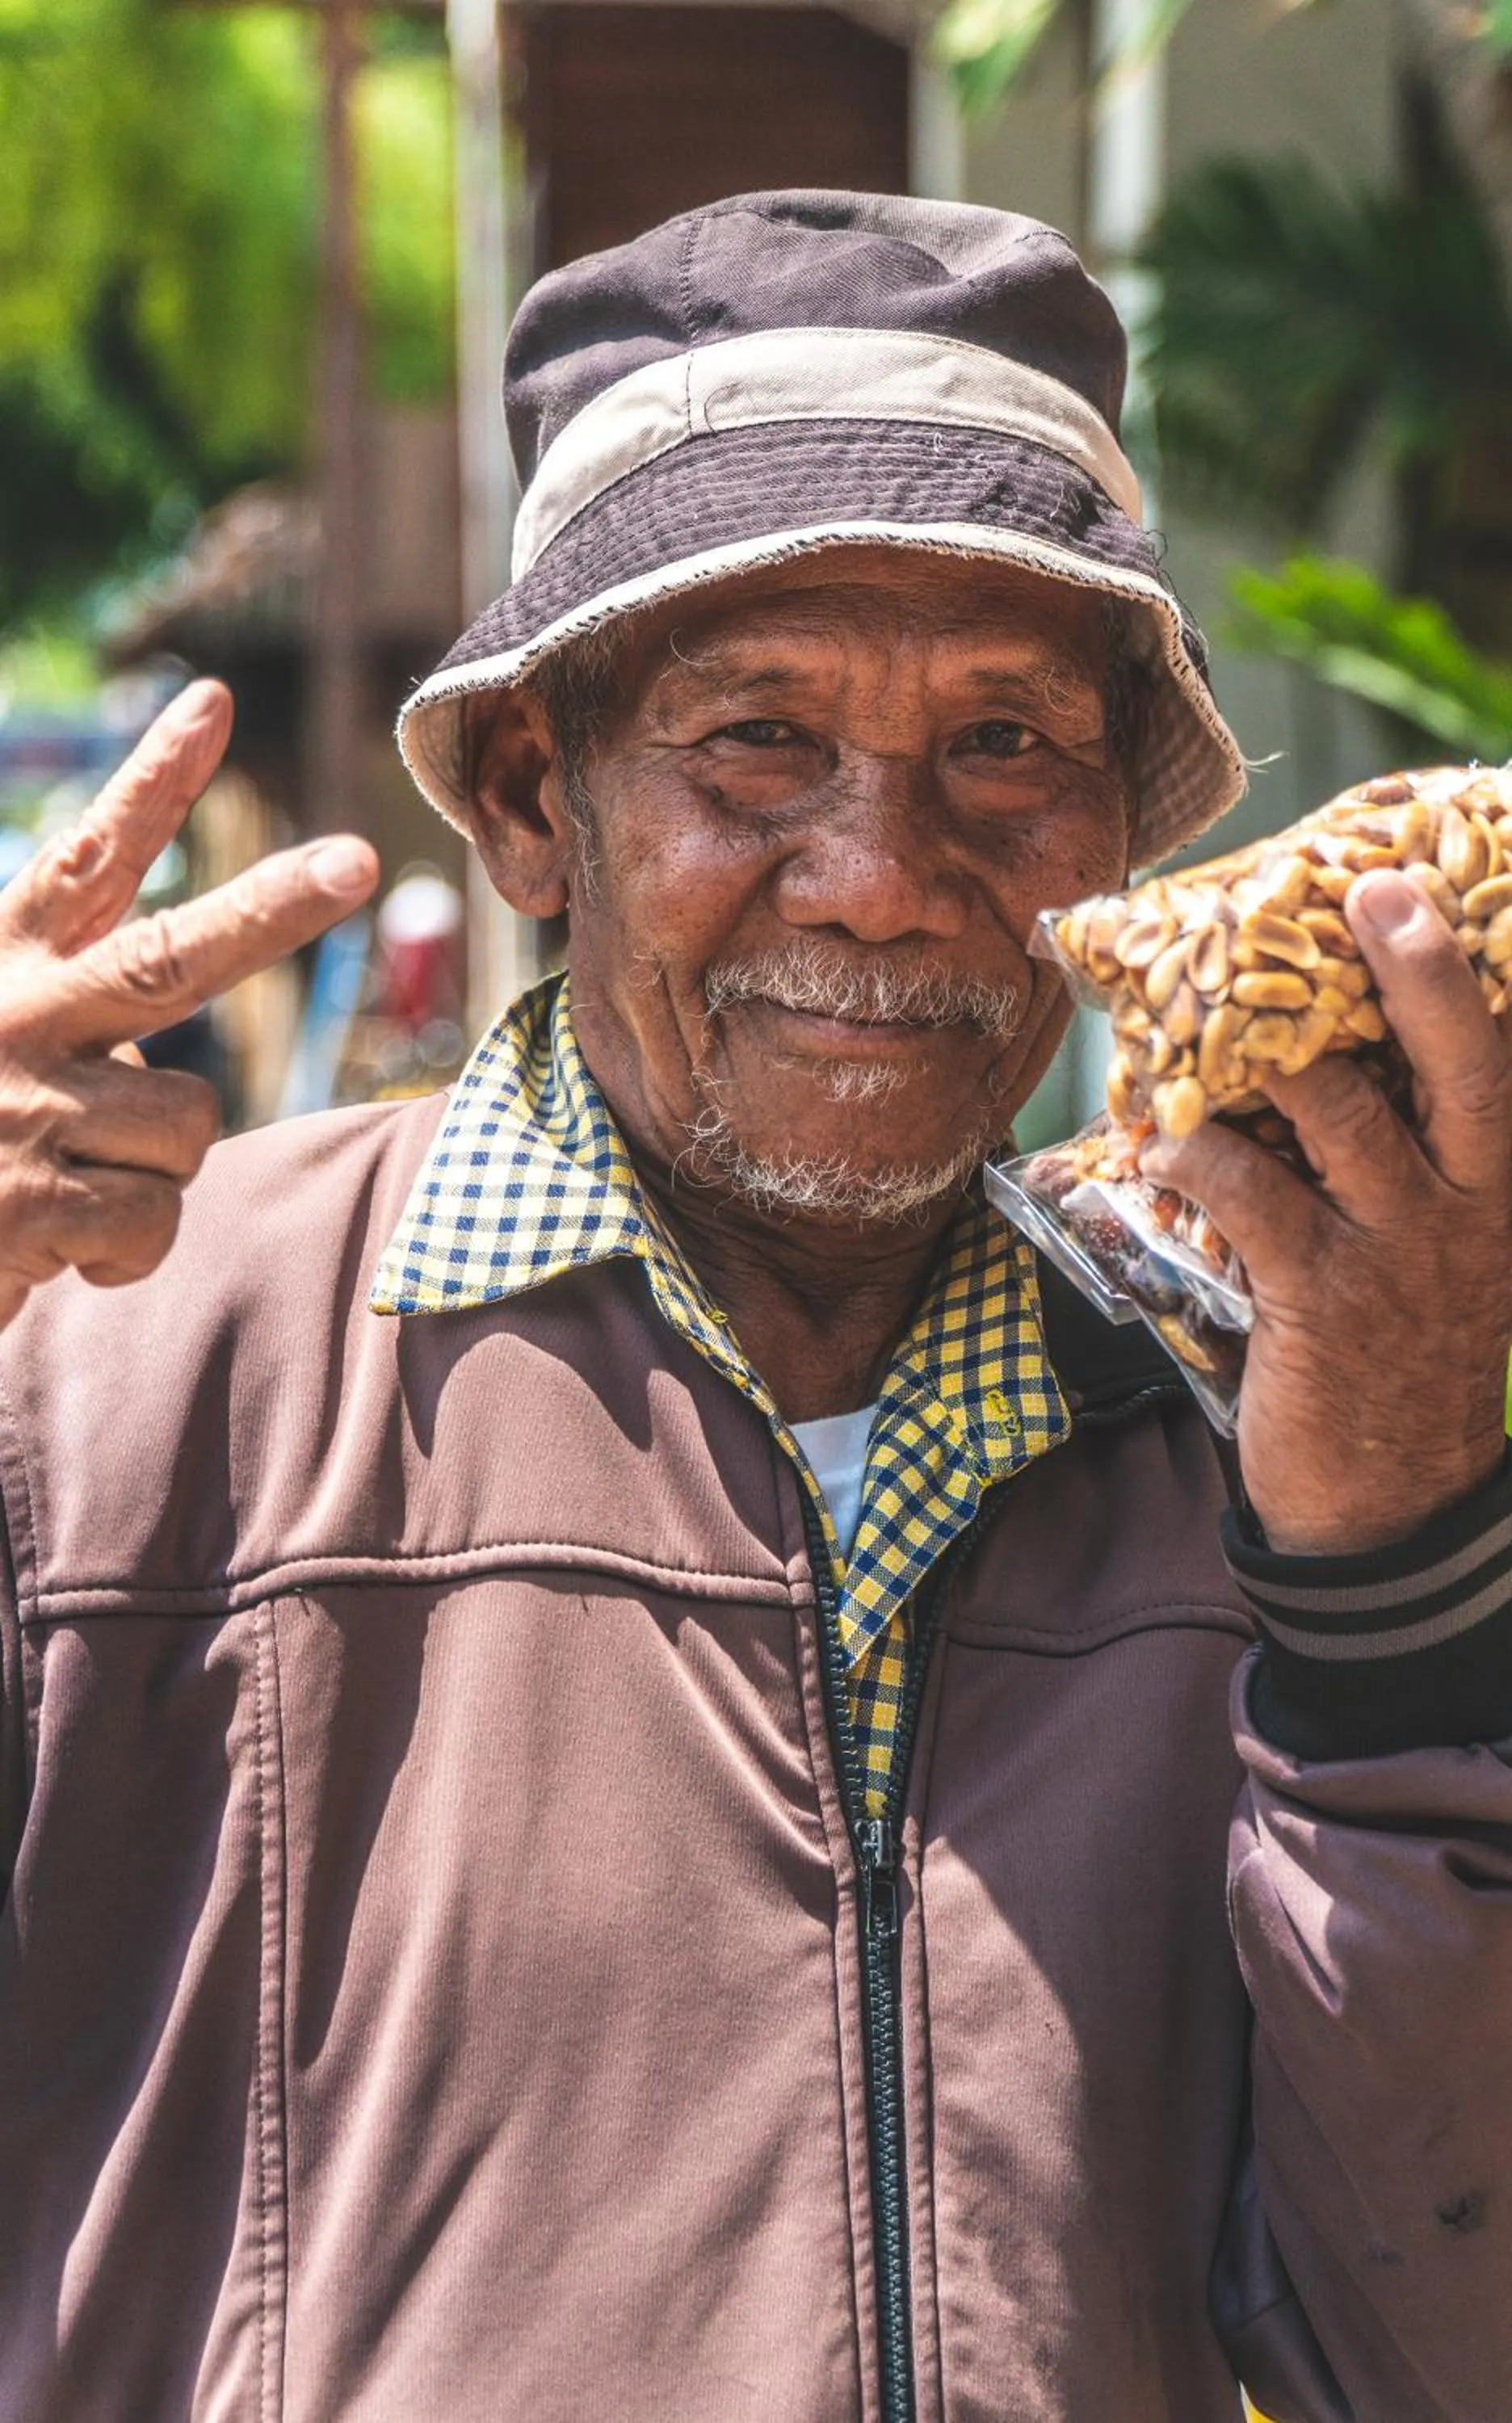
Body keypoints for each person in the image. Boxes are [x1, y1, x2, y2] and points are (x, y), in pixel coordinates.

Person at [2, 192, 1510, 2423]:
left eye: (1006, 743)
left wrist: (1397, 1557)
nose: (883, 877)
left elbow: (1436, 2343)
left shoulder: (1263, 1420)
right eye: (758, 738)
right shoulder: (104, 1376)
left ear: (1120, 839)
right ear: (538, 800)